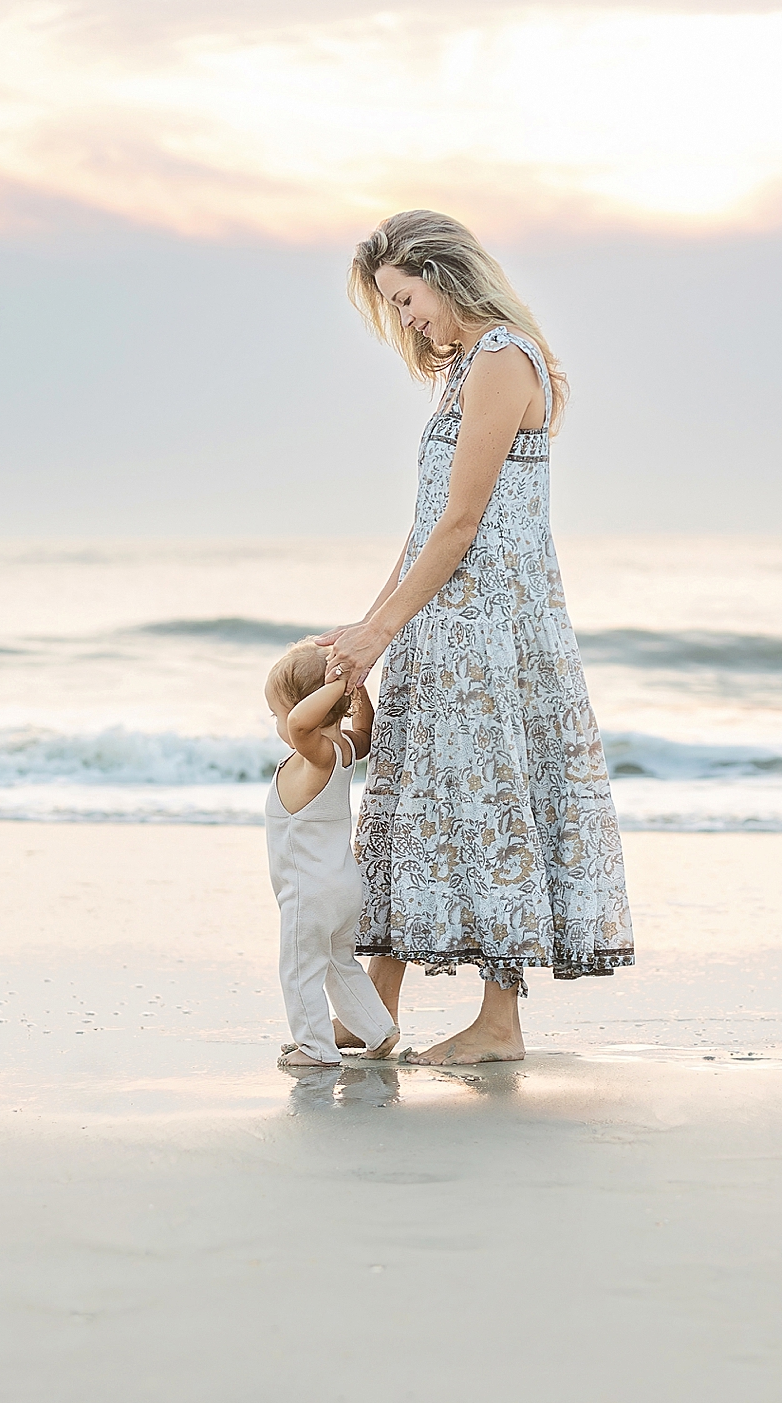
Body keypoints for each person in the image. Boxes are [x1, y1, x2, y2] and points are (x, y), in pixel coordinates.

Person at [316, 210, 634, 1066]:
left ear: (445, 273)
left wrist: (381, 630)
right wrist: (368, 625)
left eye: (406, 296)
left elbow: (461, 525)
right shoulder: (458, 374)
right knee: (409, 809)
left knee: (498, 808)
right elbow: (423, 530)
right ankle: (373, 1007)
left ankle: (500, 1024)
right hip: (442, 626)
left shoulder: (501, 358)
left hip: (491, 630)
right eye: (391, 302)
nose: (405, 317)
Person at [262, 642, 399, 1069]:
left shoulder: (315, 755)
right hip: (341, 887)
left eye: (277, 714)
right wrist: (356, 693)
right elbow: (368, 732)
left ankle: (316, 1049)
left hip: (309, 893)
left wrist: (341, 681)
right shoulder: (344, 749)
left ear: (304, 711)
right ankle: (378, 1029)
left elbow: (303, 723)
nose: (279, 724)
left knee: (299, 971)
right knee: (339, 963)